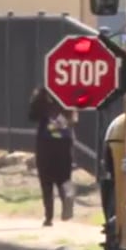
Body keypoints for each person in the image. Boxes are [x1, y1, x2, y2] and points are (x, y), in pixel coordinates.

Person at [28, 86, 77, 226]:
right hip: (61, 141)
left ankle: (51, 215)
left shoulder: (48, 96)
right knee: (62, 177)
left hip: (49, 142)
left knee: (48, 179)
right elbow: (74, 118)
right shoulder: (64, 92)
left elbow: (32, 115)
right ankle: (62, 203)